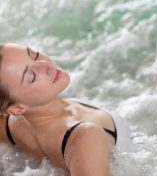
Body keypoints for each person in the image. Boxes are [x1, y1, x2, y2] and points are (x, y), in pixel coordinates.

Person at [0, 43, 131, 176]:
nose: (47, 65)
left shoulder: (5, 126)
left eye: (34, 55)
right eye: (32, 76)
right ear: (17, 108)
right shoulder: (84, 137)